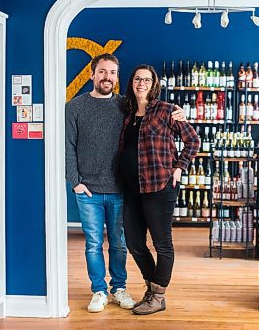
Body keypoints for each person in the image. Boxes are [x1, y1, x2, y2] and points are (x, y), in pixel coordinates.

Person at [65, 54, 185, 313]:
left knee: (120, 243)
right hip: (88, 190)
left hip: (122, 189)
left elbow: (183, 136)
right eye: (102, 72)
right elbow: (68, 146)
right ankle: (99, 290)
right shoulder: (74, 107)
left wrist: (178, 164)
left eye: (112, 73)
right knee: (94, 243)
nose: (107, 77)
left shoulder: (125, 106)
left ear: (118, 78)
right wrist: (74, 181)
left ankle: (120, 288)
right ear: (92, 74)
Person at [118, 64, 200, 315]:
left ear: (154, 85)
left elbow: (192, 140)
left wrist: (179, 168)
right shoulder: (128, 113)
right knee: (133, 243)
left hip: (160, 186)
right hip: (132, 189)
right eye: (137, 79)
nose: (141, 83)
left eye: (147, 80)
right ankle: (151, 288)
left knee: (162, 244)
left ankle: (158, 294)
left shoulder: (167, 110)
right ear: (131, 83)